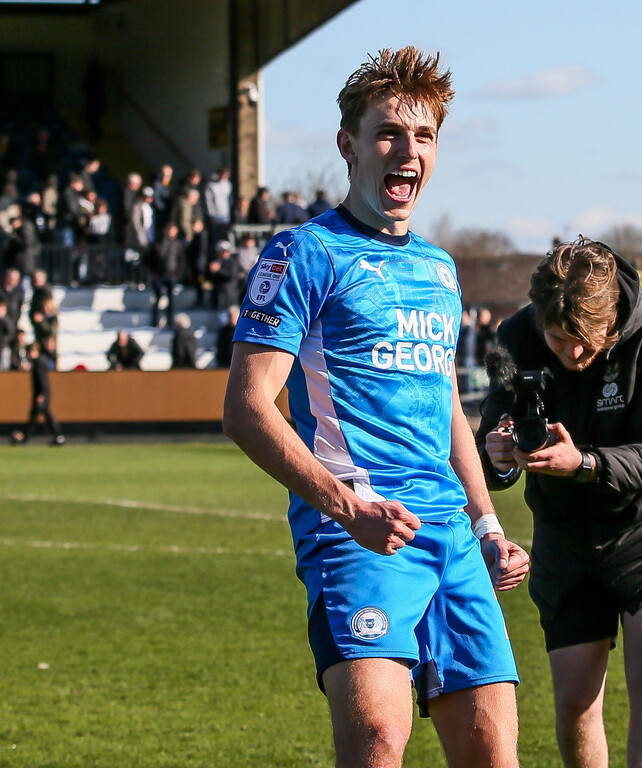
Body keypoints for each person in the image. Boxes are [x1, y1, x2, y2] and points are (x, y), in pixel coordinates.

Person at [222, 46, 529, 768]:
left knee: (494, 755)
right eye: (389, 132)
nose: (407, 150)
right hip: (357, 538)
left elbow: (447, 403)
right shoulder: (302, 254)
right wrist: (344, 507)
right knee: (378, 746)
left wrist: (487, 526)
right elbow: (246, 407)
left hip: (452, 538)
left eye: (423, 137)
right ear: (348, 145)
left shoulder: (439, 267)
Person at [478, 237, 642, 768]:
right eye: (560, 342)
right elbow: (491, 437)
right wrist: (497, 452)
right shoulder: (512, 338)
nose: (574, 355)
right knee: (575, 701)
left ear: (613, 321)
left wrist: (583, 462)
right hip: (566, 533)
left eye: (588, 343)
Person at [10, 341, 65, 446]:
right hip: (42, 395)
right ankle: (58, 436)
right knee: (45, 416)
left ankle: (26, 438)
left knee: (35, 417)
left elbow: (43, 381)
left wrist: (42, 395)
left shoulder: (38, 363)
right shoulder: (38, 363)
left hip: (41, 395)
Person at [151, 221, 185, 327]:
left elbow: (181, 261)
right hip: (159, 275)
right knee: (158, 299)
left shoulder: (178, 245)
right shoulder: (159, 243)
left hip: (172, 275)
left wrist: (177, 274)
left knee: (171, 300)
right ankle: (155, 321)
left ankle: (170, 322)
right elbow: (153, 259)